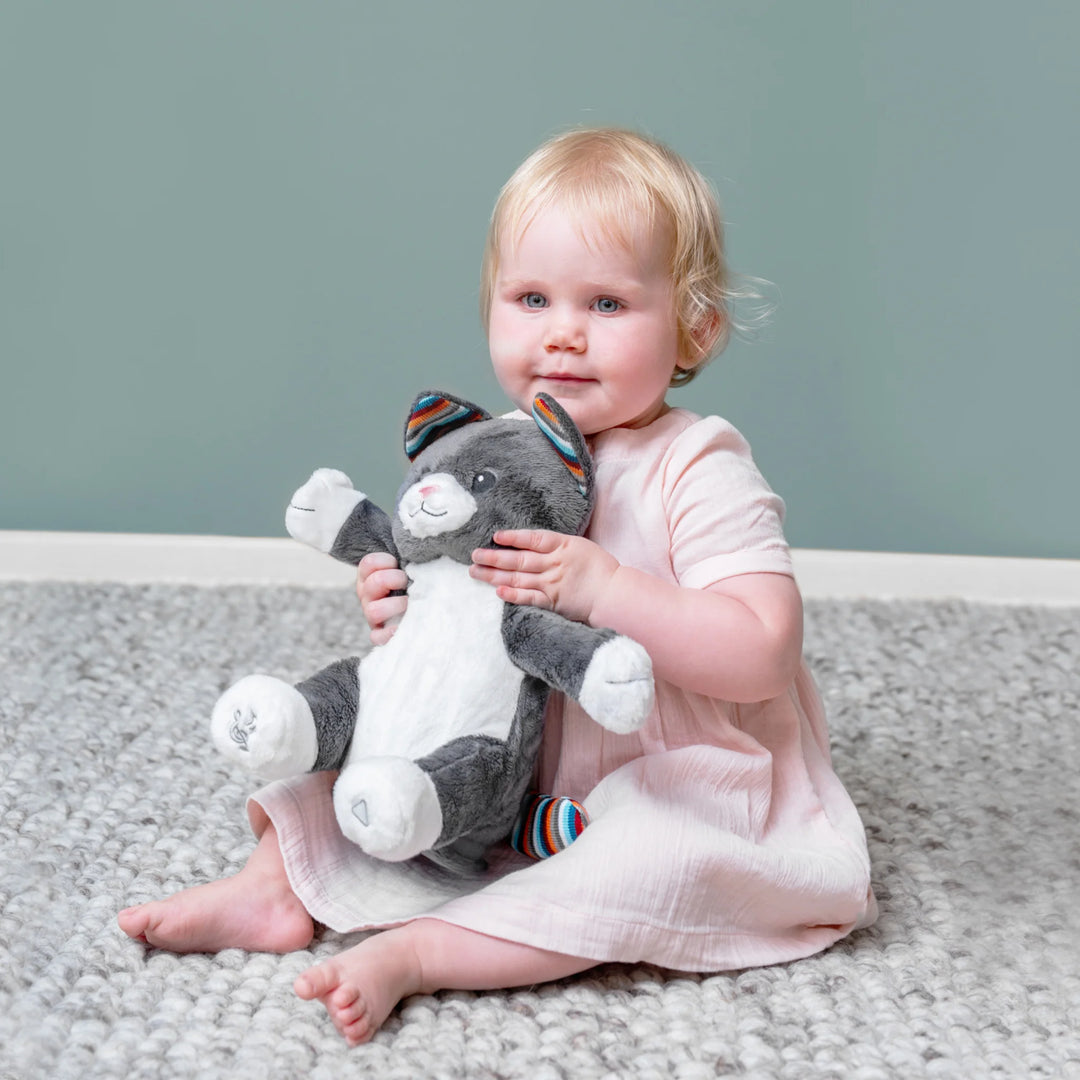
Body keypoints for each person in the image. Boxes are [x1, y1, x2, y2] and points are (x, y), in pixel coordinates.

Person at [119, 128, 876, 1046]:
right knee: (349, 762)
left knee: (642, 864)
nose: (562, 331)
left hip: (662, 769)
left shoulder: (697, 463)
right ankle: (269, 890)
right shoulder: (491, 455)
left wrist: (604, 589)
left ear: (696, 326)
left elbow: (761, 652)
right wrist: (394, 605)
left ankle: (427, 952)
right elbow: (448, 601)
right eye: (531, 298)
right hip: (498, 762)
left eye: (606, 301)